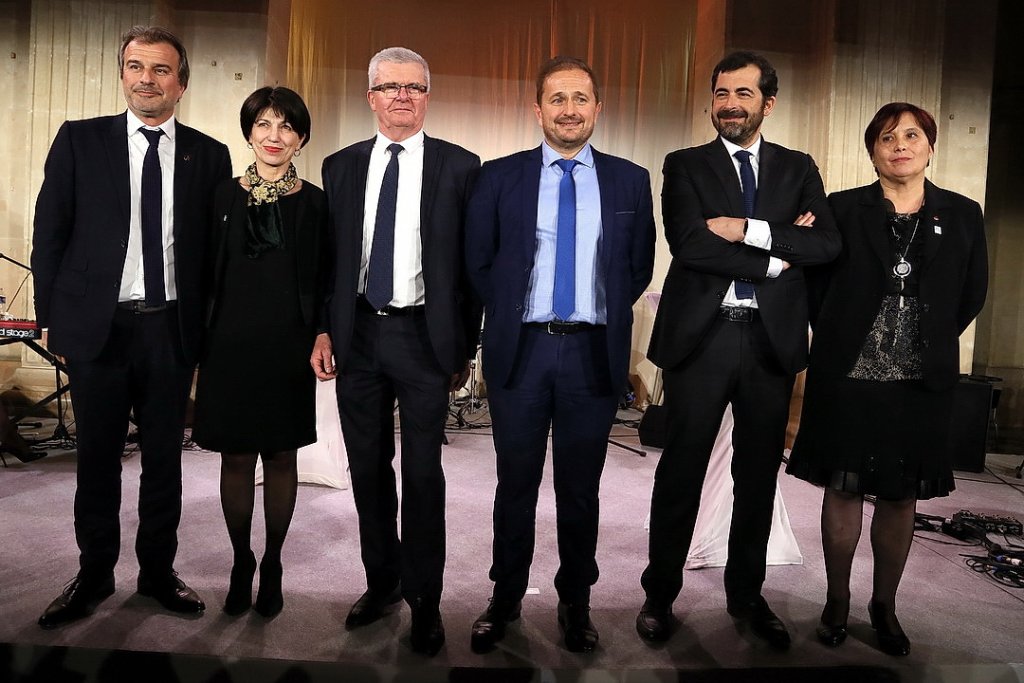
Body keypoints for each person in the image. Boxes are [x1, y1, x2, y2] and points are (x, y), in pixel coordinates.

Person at [637, 51, 840, 649]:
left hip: (770, 343)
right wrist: (780, 256)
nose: (729, 104)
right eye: (721, 93)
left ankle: (746, 597)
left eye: (743, 94)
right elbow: (690, 243)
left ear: (767, 103)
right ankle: (658, 595)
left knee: (757, 476)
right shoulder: (685, 164)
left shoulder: (798, 167)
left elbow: (825, 243)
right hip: (704, 338)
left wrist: (747, 230)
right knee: (681, 472)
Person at [32, 26, 231, 629]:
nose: (147, 78)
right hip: (100, 329)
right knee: (96, 459)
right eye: (136, 67)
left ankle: (157, 573)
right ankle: (93, 575)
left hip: (169, 331)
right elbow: (50, 234)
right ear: (123, 74)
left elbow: (212, 255)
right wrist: (52, 319)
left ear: (183, 83)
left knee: (165, 461)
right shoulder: (79, 141)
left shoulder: (208, 153)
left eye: (161, 69)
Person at [465, 56, 656, 654]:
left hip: (590, 359)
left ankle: (577, 601)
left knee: (581, 490)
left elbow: (638, 266)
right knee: (513, 486)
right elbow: (479, 264)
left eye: (581, 98)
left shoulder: (630, 179)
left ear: (598, 108)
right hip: (521, 353)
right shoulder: (499, 177)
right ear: (537, 108)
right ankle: (505, 598)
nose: (569, 109)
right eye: (557, 98)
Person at [787, 102, 988, 656]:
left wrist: (926, 336)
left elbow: (971, 292)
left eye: (911, 135)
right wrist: (845, 332)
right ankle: (835, 600)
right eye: (886, 137)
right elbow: (816, 285)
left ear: (930, 145)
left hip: (920, 379)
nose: (899, 145)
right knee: (844, 486)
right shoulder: (841, 209)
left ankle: (885, 605)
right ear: (872, 149)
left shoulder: (964, 213)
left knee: (902, 496)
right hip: (849, 374)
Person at [311, 47, 481, 657]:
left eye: (414, 86)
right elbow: (326, 262)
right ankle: (381, 583)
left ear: (428, 96)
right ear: (371, 97)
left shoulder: (462, 167)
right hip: (357, 333)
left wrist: (465, 343)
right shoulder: (340, 166)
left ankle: (426, 602)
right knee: (368, 471)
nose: (402, 96)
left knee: (423, 475)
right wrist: (322, 329)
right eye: (390, 87)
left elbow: (471, 267)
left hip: (423, 338)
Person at [192, 86, 327, 619]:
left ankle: (272, 562)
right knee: (235, 456)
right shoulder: (221, 196)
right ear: (249, 132)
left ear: (300, 138)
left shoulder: (315, 202)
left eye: (287, 127)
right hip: (228, 343)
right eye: (265, 124)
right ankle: (240, 561)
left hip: (287, 345)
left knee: (281, 455)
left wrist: (321, 332)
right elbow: (202, 273)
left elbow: (325, 277)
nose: (276, 136)